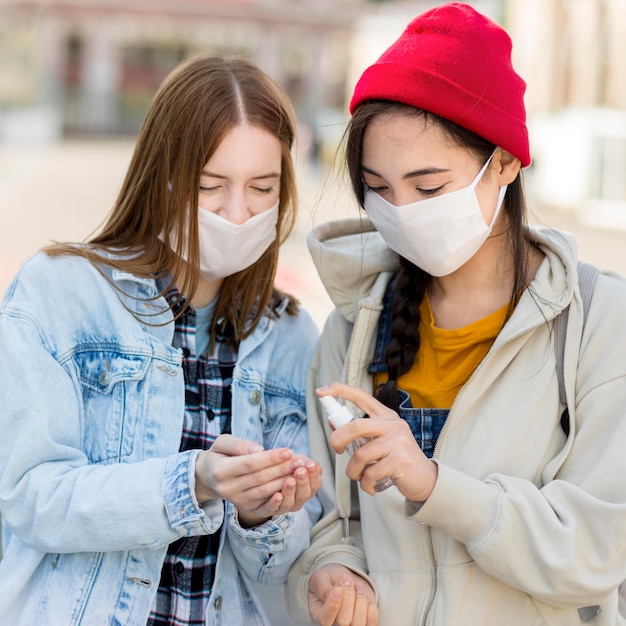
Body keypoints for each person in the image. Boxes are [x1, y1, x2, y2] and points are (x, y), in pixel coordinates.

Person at [286, 3, 626, 625]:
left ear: (505, 162)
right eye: (379, 188)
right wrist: (330, 572)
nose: (402, 210)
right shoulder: (353, 327)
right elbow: (330, 524)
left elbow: (598, 552)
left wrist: (435, 485)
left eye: (429, 186)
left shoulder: (600, 322)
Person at [0, 54, 323, 625]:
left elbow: (279, 569)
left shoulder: (292, 336)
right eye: (210, 185)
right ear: (162, 175)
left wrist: (262, 515)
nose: (237, 212)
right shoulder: (60, 293)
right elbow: (33, 498)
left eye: (262, 188)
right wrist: (193, 481)